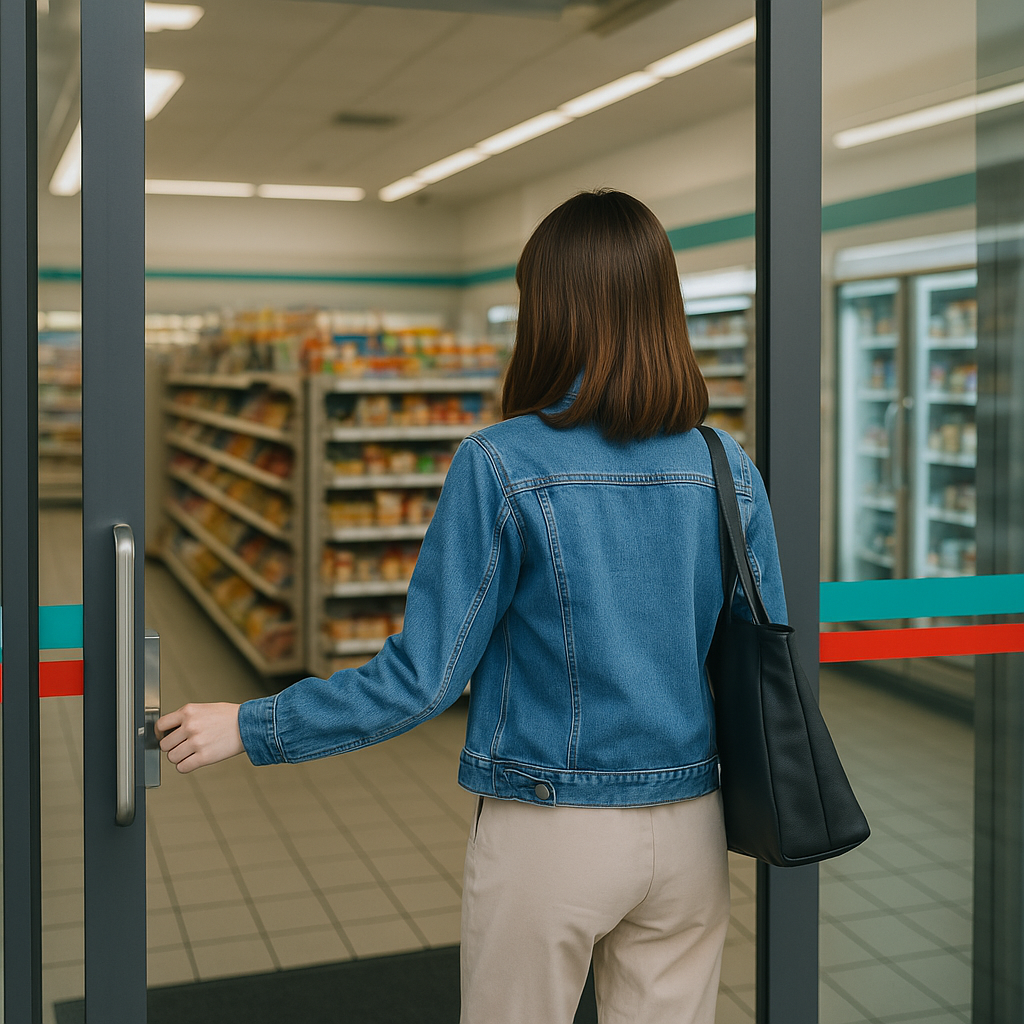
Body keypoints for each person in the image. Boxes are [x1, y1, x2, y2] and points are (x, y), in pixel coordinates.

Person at [156, 189, 787, 1024]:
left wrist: (254, 725)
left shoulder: (501, 461)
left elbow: (424, 678)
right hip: (692, 827)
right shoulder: (724, 464)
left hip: (550, 829)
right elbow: (760, 654)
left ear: (548, 313)